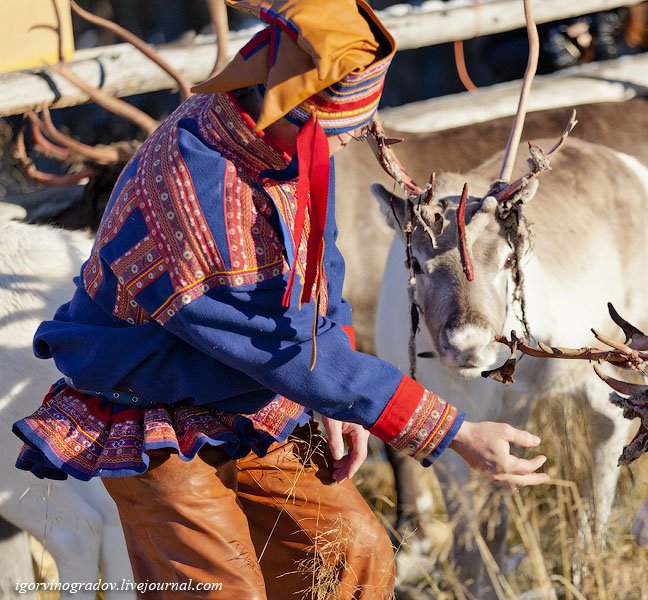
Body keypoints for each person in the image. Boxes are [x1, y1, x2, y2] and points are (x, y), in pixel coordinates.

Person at [11, 1, 549, 598]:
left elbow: (321, 268)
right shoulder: (199, 184)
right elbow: (279, 347)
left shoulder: (277, 144)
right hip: (151, 412)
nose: (350, 145)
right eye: (347, 133)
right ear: (302, 113)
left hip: (243, 400)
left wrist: (339, 397)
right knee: (219, 588)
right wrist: (451, 431)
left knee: (351, 555)